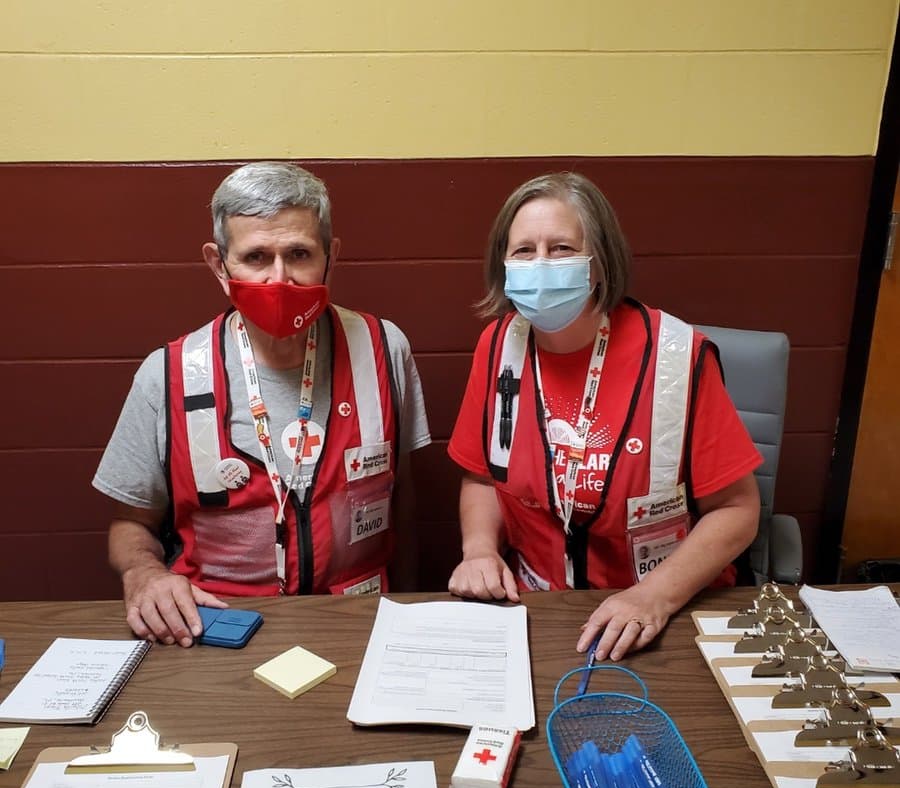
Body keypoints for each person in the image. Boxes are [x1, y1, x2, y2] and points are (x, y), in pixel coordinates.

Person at [93, 162, 431, 647]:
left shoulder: (384, 349)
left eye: (299, 254)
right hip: (215, 626)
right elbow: (130, 522)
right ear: (219, 265)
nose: (279, 279)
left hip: (357, 620)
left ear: (331, 257)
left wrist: (408, 614)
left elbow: (404, 498)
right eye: (256, 257)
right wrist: (144, 574)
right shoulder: (167, 375)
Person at [447, 172, 761, 662]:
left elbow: (738, 510)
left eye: (562, 248)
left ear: (599, 263)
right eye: (524, 251)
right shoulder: (498, 347)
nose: (541, 264)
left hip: (661, 610)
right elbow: (482, 478)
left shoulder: (676, 357)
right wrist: (480, 551)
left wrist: (654, 597)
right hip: (538, 607)